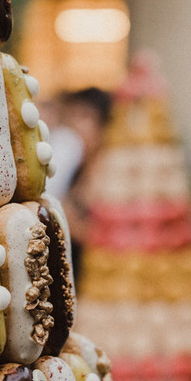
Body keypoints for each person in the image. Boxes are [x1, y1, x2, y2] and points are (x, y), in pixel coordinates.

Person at [54, 87, 112, 282]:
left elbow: (119, 241)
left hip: (100, 283)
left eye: (84, 117)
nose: (74, 125)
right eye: (70, 117)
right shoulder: (73, 168)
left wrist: (73, 225)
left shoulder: (112, 174)